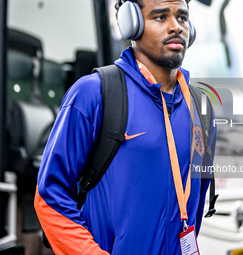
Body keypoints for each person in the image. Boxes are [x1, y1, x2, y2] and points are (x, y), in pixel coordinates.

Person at [34, 0, 217, 254]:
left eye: (183, 18)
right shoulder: (93, 93)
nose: (176, 27)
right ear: (132, 24)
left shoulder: (202, 109)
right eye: (161, 17)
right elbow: (50, 197)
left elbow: (194, 206)